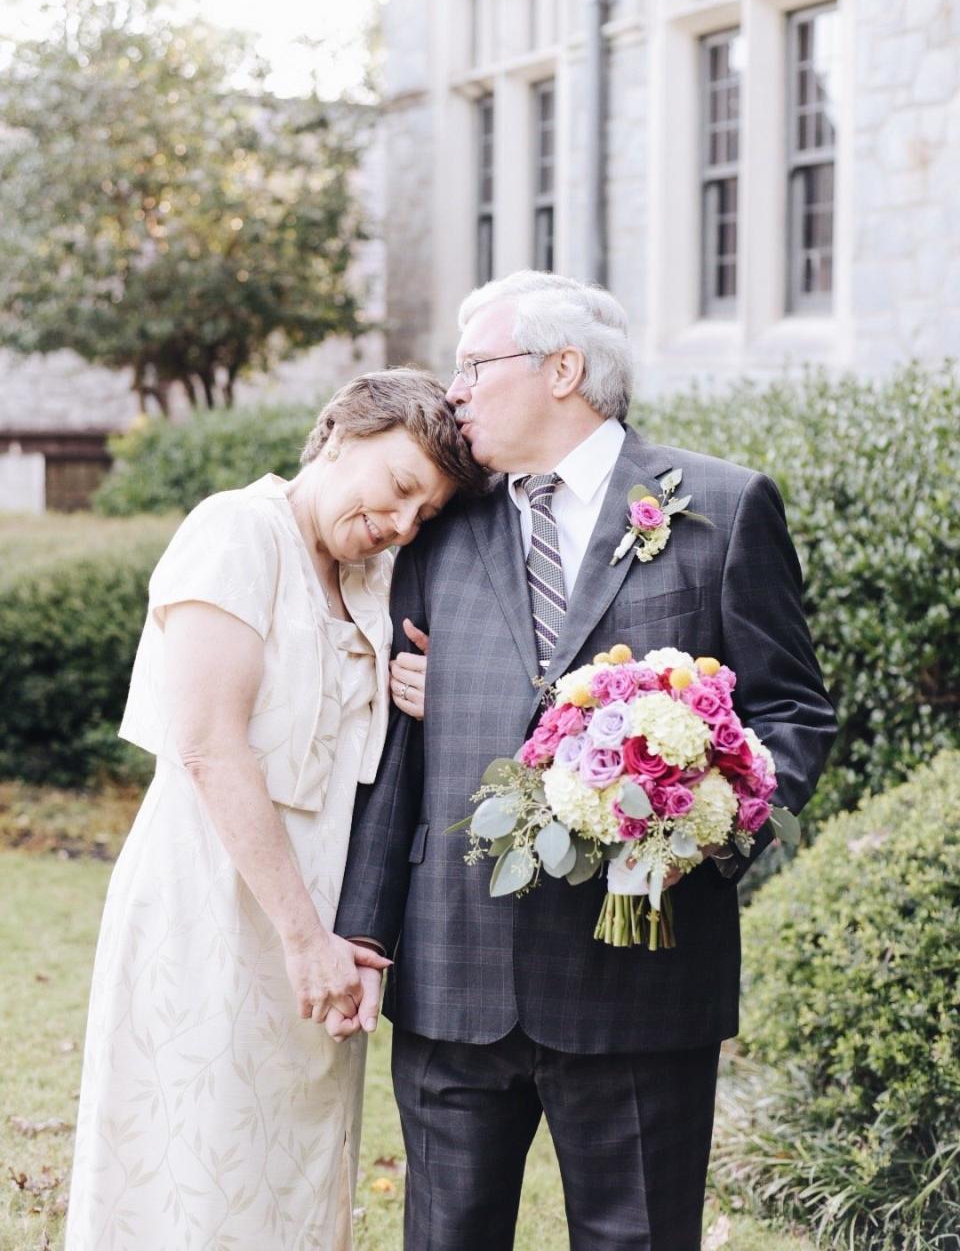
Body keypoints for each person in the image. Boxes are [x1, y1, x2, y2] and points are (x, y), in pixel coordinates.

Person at [335, 272, 838, 1251]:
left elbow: (789, 713)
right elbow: (401, 743)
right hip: (453, 971)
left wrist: (701, 826)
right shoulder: (443, 526)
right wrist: (363, 932)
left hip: (643, 975)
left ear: (564, 369)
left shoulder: (721, 512)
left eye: (474, 365)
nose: (455, 392)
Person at [64, 369, 487, 1251]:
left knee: (290, 1174)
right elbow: (209, 745)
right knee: (197, 1163)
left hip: (324, 927)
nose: (404, 524)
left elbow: (378, 768)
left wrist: (433, 690)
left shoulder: (376, 581)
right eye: (402, 488)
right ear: (340, 434)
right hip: (216, 905)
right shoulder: (234, 534)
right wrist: (303, 939)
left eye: (426, 514)